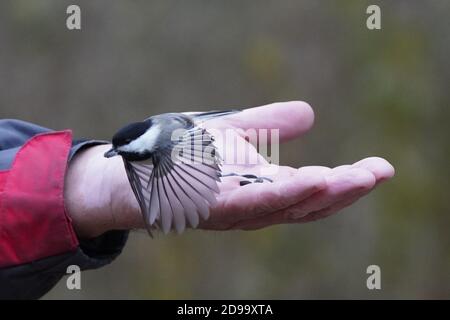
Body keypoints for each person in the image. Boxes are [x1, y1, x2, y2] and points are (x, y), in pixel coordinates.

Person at [0, 101, 394, 299]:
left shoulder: (165, 145)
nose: (116, 153)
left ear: (141, 142)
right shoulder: (142, 147)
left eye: (124, 149)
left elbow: (178, 177)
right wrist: (93, 184)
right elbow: (145, 171)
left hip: (188, 132)